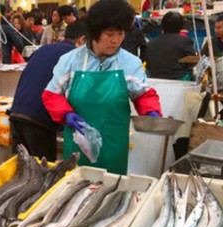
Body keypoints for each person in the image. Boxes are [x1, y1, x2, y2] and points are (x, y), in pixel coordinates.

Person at [42, 0, 162, 174]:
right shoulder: (70, 61)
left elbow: (143, 94)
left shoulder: (130, 63)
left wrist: (151, 112)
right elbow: (52, 95)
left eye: (120, 33)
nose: (115, 40)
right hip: (78, 145)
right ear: (94, 32)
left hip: (113, 145)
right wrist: (66, 114)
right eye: (109, 33)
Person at [9, 21, 88, 161]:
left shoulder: (43, 49)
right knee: (44, 174)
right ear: (82, 40)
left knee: (22, 171)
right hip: (39, 121)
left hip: (16, 115)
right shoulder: (74, 57)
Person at [145, 12, 195, 80]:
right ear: (181, 26)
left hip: (156, 81)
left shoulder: (151, 44)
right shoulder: (185, 41)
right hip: (180, 82)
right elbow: (193, 63)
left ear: (162, 25)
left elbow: (148, 68)